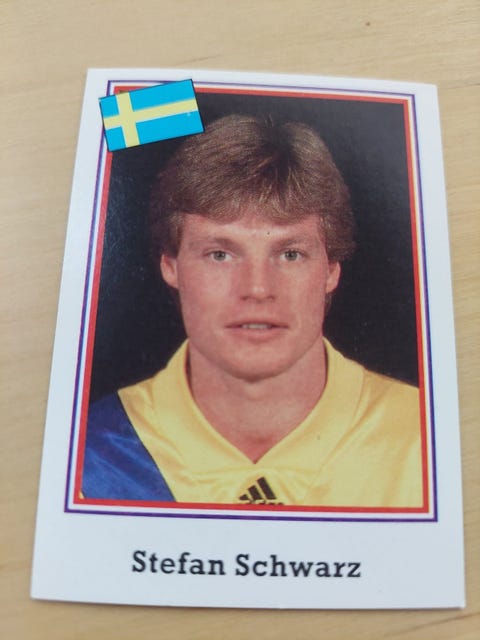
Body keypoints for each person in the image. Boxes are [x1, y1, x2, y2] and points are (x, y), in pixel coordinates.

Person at [82, 114, 423, 508]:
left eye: (290, 254)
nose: (257, 289)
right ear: (171, 267)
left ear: (331, 270)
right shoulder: (90, 457)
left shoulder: (424, 439)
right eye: (220, 254)